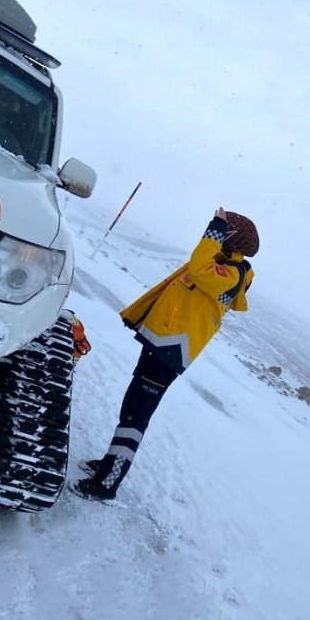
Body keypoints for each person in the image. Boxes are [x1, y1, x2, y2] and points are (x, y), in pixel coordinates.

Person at [72, 206, 259, 501]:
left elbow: (198, 269)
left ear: (232, 237)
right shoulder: (220, 263)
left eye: (225, 232)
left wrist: (214, 229)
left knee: (136, 417)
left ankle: (107, 483)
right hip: (161, 344)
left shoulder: (231, 274)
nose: (218, 236)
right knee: (131, 408)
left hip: (172, 350)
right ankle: (108, 465)